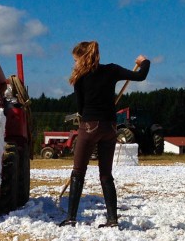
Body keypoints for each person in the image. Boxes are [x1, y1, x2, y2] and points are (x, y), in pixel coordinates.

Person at [60, 41, 150, 228]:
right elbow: (140, 76)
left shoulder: (80, 77)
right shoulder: (112, 70)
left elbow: (81, 108)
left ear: (82, 58)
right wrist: (144, 61)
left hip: (89, 125)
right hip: (110, 127)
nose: (75, 64)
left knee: (78, 172)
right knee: (106, 174)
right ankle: (112, 220)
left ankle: (71, 218)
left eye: (76, 60)